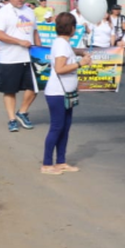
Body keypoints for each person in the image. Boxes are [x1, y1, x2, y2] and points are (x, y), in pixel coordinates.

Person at [41, 12, 93, 175]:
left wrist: (80, 52)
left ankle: (61, 161)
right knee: (57, 127)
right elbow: (60, 68)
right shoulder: (61, 45)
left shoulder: (64, 43)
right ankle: (47, 163)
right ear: (71, 28)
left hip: (66, 92)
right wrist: (80, 63)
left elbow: (70, 51)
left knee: (65, 127)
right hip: (57, 92)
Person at [0, 0, 41, 133]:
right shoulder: (3, 13)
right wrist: (19, 42)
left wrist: (39, 51)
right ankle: (12, 119)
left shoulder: (29, 11)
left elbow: (35, 32)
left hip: (29, 57)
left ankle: (22, 111)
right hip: (9, 58)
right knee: (10, 90)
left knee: (35, 87)